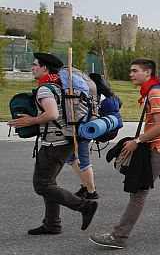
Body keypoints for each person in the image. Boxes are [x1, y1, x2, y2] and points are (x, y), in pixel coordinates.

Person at [90, 58, 160, 249]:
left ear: (148, 72)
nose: (131, 74)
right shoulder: (155, 91)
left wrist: (137, 141)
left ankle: (119, 236)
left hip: (158, 148)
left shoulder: (155, 93)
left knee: (139, 191)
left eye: (134, 71)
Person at [8, 53, 98, 235]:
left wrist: (30, 121)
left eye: (35, 65)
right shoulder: (59, 86)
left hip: (55, 143)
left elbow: (52, 115)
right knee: (49, 182)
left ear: (44, 68)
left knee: (42, 185)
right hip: (64, 140)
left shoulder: (45, 89)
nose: (32, 68)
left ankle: (84, 206)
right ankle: (52, 224)